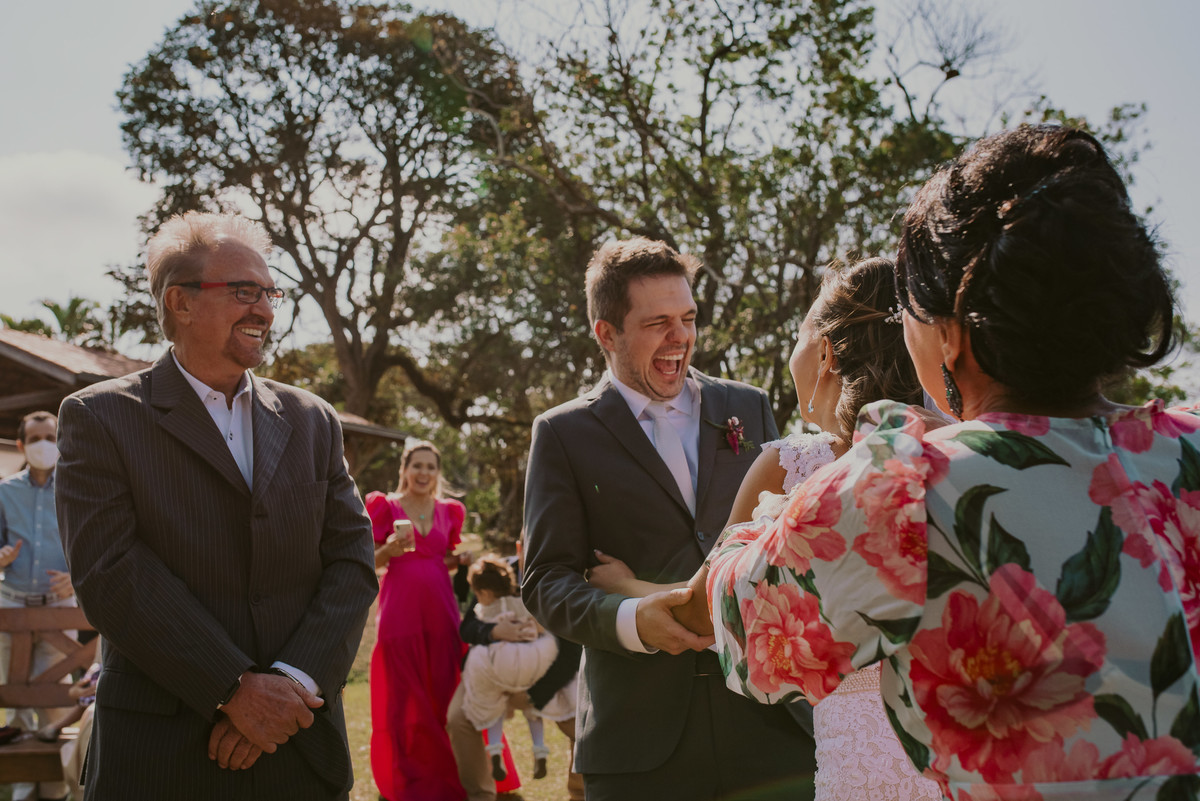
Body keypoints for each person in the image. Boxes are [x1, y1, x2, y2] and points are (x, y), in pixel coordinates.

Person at [690, 125, 1200, 801]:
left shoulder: (902, 485)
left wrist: (776, 519)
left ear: (951, 331)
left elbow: (742, 632)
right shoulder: (1188, 450)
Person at [54, 211, 379, 801]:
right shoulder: (98, 417)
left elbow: (353, 562)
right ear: (180, 302)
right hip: (162, 756)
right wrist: (233, 689)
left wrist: (288, 687)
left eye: (270, 293)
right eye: (245, 291)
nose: (265, 310)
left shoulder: (313, 420)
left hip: (298, 748)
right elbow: (110, 574)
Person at [591, 258, 941, 801]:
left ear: (825, 353)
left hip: (860, 764)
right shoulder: (956, 450)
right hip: (958, 755)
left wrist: (625, 586)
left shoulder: (795, 466)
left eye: (801, 335)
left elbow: (709, 611)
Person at [522, 237, 817, 801]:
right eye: (658, 323)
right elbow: (544, 579)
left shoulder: (747, 405)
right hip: (638, 742)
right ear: (607, 333)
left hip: (771, 725)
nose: (680, 337)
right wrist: (631, 619)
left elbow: (786, 541)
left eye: (687, 318)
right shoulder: (562, 433)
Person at [363, 440, 469, 801]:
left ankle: (452, 769)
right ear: (404, 470)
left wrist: (461, 560)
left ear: (438, 473)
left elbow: (443, 560)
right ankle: (407, 774)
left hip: (441, 611)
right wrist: (389, 549)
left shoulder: (450, 511)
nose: (424, 473)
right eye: (417, 466)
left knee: (444, 688)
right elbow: (370, 562)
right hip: (400, 612)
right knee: (404, 695)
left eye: (430, 467)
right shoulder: (384, 506)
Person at [448, 548, 584, 801]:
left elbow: (571, 652)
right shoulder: (495, 573)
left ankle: (580, 792)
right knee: (458, 719)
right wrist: (494, 631)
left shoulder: (563, 578)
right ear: (520, 547)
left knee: (582, 722)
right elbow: (469, 627)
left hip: (545, 674)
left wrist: (536, 695)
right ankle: (480, 794)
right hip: (489, 671)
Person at [0, 410, 75, 801]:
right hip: (11, 606)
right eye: (35, 438)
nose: (43, 444)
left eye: (50, 436)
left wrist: (77, 578)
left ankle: (54, 791)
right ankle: (23, 793)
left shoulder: (77, 488)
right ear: (21, 445)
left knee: (55, 707)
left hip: (60, 610)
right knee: (14, 708)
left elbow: (94, 547)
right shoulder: (4, 491)